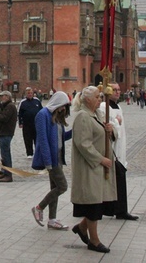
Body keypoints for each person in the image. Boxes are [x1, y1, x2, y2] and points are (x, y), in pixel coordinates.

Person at [70, 86, 116, 254]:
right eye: (97, 97)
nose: (100, 100)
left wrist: (109, 131)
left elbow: (101, 135)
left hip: (97, 168)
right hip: (89, 167)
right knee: (93, 204)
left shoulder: (96, 114)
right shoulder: (83, 116)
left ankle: (82, 228)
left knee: (97, 202)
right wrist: (100, 159)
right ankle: (94, 241)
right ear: (88, 100)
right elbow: (83, 144)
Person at [30, 91, 72, 230]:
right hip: (52, 159)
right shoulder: (43, 115)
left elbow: (61, 137)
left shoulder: (56, 116)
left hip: (58, 156)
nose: (64, 109)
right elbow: (42, 140)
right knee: (62, 186)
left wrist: (74, 131)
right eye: (63, 105)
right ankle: (39, 207)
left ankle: (52, 219)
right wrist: (47, 162)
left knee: (55, 188)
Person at [100, 82, 139, 221]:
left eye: (118, 90)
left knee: (120, 180)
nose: (117, 92)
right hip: (112, 149)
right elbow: (107, 127)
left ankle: (120, 209)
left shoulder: (118, 107)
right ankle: (118, 210)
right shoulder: (104, 107)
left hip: (120, 148)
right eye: (114, 90)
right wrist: (116, 122)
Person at [0, 90, 17, 183]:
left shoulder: (10, 106)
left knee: (6, 154)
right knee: (3, 154)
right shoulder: (6, 106)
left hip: (6, 132)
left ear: (7, 97)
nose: (1, 98)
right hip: (3, 132)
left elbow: (4, 118)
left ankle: (8, 174)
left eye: (3, 96)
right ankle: (4, 171)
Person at [18, 86, 43, 158]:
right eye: (28, 93)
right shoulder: (23, 102)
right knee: (27, 139)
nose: (30, 94)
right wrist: (20, 122)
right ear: (26, 94)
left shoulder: (37, 101)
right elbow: (19, 113)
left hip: (36, 124)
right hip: (26, 124)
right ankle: (29, 153)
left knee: (37, 138)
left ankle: (38, 152)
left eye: (31, 93)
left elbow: (41, 111)